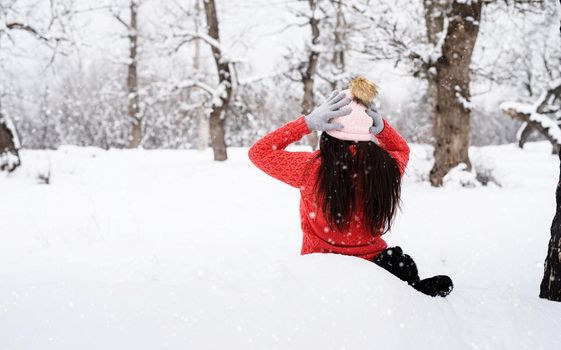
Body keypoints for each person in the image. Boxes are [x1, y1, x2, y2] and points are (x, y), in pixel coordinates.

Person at [248, 76, 453, 297]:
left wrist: (307, 123)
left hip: (318, 266)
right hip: (375, 267)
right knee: (401, 265)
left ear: (327, 131)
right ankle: (411, 293)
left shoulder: (310, 168)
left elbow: (259, 152)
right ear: (368, 129)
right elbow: (402, 150)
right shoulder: (385, 168)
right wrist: (383, 129)